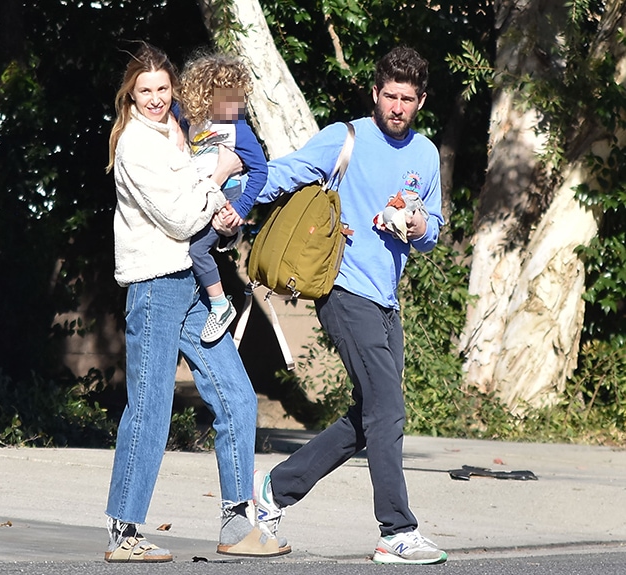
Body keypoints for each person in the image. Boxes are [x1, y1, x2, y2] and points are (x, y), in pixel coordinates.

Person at [253, 46, 448, 565]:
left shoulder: (425, 155)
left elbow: (435, 229)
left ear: (421, 101)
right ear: (375, 93)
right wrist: (230, 189)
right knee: (389, 409)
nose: (398, 107)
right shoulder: (347, 137)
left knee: (369, 417)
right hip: (343, 290)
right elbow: (284, 173)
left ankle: (274, 488)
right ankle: (397, 531)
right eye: (390, 96)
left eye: (408, 99)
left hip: (387, 300)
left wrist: (419, 224)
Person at [103, 41, 290, 562]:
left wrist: (223, 202)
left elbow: (206, 210)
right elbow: (182, 218)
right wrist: (218, 180)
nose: (157, 99)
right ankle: (124, 532)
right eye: (146, 91)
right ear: (131, 96)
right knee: (151, 408)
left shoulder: (177, 136)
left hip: (191, 285)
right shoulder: (136, 147)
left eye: (164, 89)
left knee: (238, 397)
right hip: (156, 287)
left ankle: (235, 526)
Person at [180, 53, 268, 343]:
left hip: (227, 195)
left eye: (237, 96)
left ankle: (219, 306)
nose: (234, 104)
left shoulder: (237, 129)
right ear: (205, 94)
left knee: (197, 251)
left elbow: (260, 169)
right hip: (201, 195)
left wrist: (240, 209)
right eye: (224, 96)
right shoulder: (191, 123)